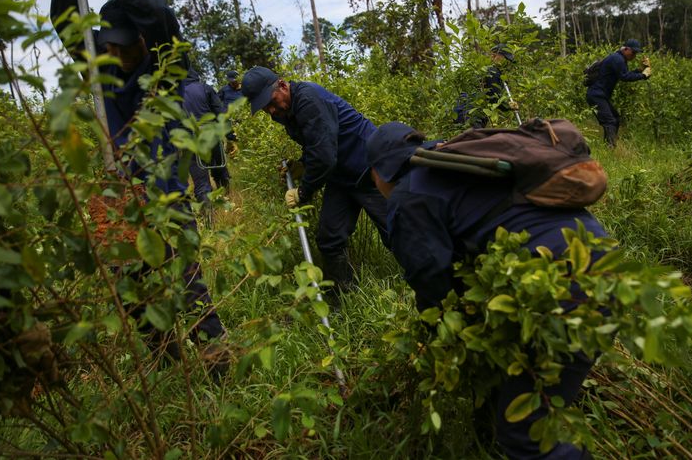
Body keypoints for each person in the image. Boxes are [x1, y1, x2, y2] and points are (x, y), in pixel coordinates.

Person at [367, 121, 608, 459]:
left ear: (379, 172)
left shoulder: (408, 197)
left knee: (524, 437)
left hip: (564, 281)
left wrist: (441, 342)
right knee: (533, 385)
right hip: (598, 257)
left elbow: (433, 284)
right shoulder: (456, 164)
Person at [49, 0, 226, 348]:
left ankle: (215, 355)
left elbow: (158, 10)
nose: (117, 51)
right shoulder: (99, 72)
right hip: (120, 198)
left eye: (125, 44)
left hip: (167, 198)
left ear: (144, 40)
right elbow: (65, 23)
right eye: (110, 43)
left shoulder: (167, 67)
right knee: (136, 294)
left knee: (187, 282)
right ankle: (164, 359)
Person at [241, 66, 389, 291]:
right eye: (264, 108)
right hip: (341, 176)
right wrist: (303, 164)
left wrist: (303, 191)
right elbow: (318, 143)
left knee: (396, 228)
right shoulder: (285, 110)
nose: (270, 111)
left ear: (282, 85)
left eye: (271, 102)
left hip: (367, 169)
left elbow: (325, 156)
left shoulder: (309, 100)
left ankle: (429, 277)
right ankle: (345, 293)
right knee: (330, 237)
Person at [586, 38, 651, 147]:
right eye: (633, 52)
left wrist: (640, 70)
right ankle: (610, 147)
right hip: (596, 95)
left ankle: (610, 145)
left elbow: (624, 73)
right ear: (626, 49)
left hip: (600, 95)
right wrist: (643, 75)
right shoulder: (618, 59)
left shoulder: (620, 58)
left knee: (615, 118)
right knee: (610, 121)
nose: (634, 55)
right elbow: (624, 77)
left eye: (636, 53)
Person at [180, 71, 229, 202]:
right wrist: (229, 135)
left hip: (189, 138)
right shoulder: (205, 88)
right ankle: (227, 197)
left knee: (201, 181)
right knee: (219, 168)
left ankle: (208, 215)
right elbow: (220, 112)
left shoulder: (176, 93)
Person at [454, 44, 516, 128]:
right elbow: (494, 98)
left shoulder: (487, 71)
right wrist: (509, 106)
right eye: (505, 58)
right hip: (470, 113)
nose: (508, 63)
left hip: (463, 111)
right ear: (494, 56)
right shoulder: (492, 72)